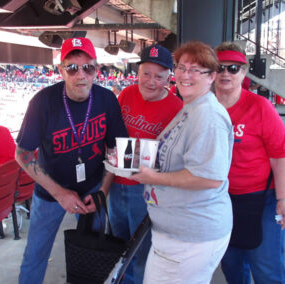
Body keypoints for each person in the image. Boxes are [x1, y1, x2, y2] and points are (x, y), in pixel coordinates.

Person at [15, 37, 128, 284]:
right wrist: (59, 194)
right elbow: (22, 153)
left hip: (92, 189)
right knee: (35, 255)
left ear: (96, 70)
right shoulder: (42, 102)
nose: (81, 75)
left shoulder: (106, 99)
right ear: (61, 70)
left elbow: (115, 149)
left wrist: (102, 192)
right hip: (50, 194)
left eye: (88, 67)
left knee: (95, 254)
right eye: (72, 67)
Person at [130, 41, 234, 284]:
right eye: (182, 68)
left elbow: (209, 177)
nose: (186, 75)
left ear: (212, 77)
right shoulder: (192, 107)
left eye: (196, 70)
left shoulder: (208, 116)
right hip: (177, 235)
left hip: (190, 238)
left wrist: (152, 178)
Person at [214, 42, 285, 284]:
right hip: (220, 200)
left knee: (267, 268)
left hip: (261, 199)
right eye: (219, 67)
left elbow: (281, 158)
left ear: (244, 71)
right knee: (232, 266)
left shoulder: (260, 107)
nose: (226, 73)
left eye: (233, 68)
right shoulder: (203, 107)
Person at [109, 44, 183, 284]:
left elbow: (174, 159)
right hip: (117, 183)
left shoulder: (177, 108)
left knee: (141, 253)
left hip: (146, 191)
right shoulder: (127, 94)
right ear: (137, 73)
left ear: (169, 78)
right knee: (118, 247)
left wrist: (141, 151)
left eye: (159, 76)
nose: (151, 81)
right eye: (146, 74)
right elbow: (114, 138)